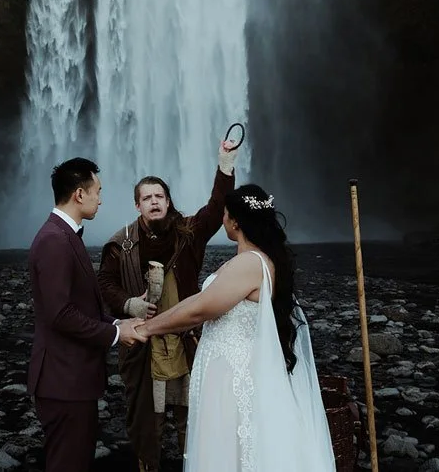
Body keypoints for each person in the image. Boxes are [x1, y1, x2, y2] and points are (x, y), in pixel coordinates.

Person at [132, 184, 336, 471]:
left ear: (235, 221)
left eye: (225, 214)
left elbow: (201, 309)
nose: (222, 220)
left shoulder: (250, 263)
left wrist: (145, 330)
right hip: (233, 371)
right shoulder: (255, 260)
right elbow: (200, 301)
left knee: (230, 452)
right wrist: (149, 323)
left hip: (234, 378)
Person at [97, 140, 238, 472]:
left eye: (159, 196)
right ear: (137, 206)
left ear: (168, 201)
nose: (154, 201)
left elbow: (217, 208)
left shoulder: (188, 232)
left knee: (192, 420)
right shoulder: (120, 244)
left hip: (186, 341)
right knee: (148, 423)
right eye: (147, 198)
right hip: (143, 347)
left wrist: (226, 164)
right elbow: (104, 283)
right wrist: (128, 304)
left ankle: (196, 465)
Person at [26, 157, 147, 472]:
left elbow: (79, 308)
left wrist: (118, 321)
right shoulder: (55, 240)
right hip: (63, 381)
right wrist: (117, 335)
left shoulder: (65, 236)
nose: (101, 198)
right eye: (98, 191)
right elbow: (60, 315)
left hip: (70, 380)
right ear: (79, 194)